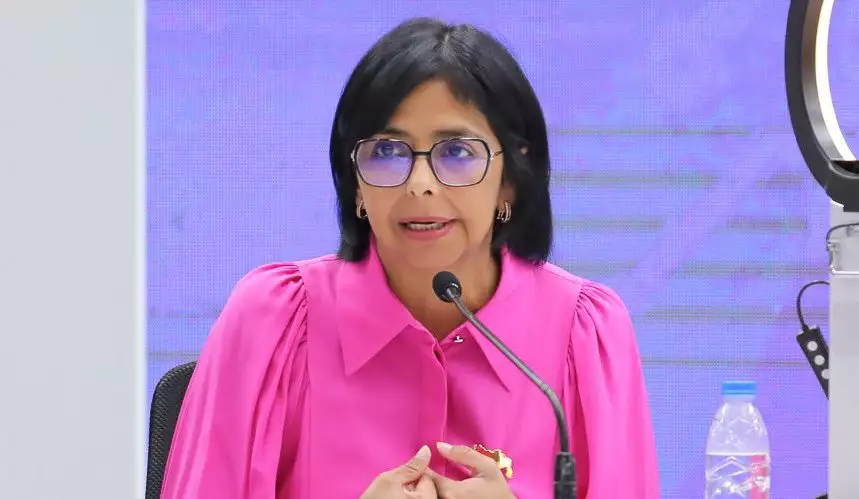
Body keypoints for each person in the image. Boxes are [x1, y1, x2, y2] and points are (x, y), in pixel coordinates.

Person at [159, 17, 659, 499]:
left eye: (457, 152)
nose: (420, 184)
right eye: (387, 152)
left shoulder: (584, 336)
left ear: (510, 177)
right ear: (355, 183)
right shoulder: (274, 322)